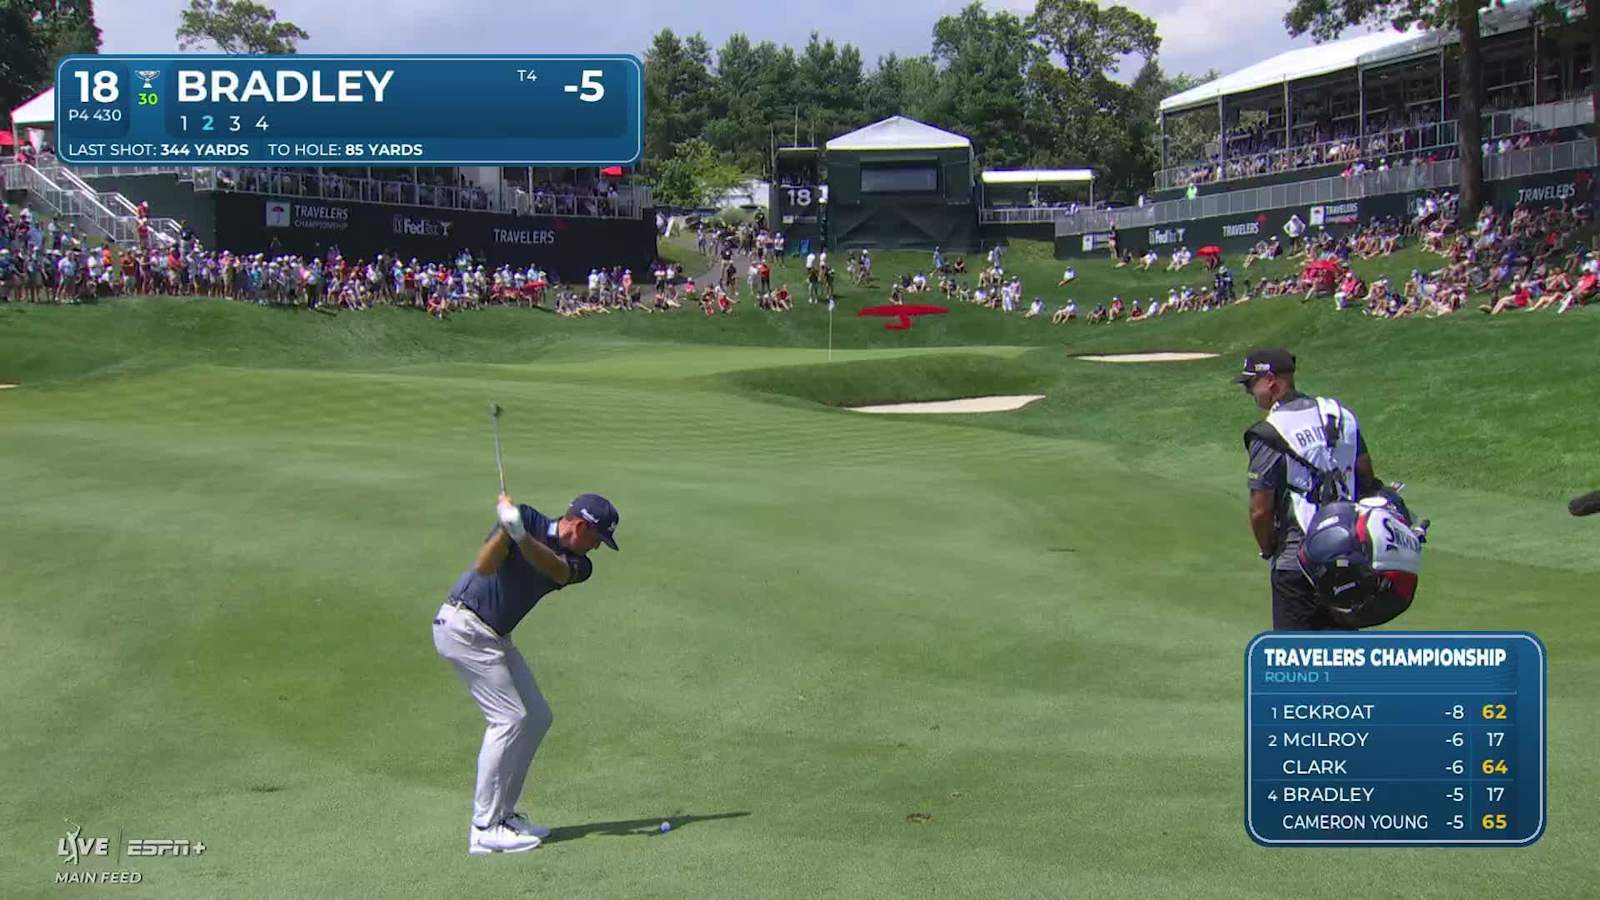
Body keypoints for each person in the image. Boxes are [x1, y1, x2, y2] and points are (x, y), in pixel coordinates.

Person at [432, 491, 621, 855]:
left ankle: (504, 815)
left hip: (494, 636)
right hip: (463, 627)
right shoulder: (527, 519)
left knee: (536, 717)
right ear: (580, 526)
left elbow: (555, 568)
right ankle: (484, 827)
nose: (596, 548)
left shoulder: (578, 564)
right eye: (597, 539)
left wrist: (520, 537)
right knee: (509, 718)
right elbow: (485, 567)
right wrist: (505, 532)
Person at [1237, 348, 1380, 630]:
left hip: (1297, 563)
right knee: (1344, 658)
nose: (1250, 393)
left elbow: (1260, 510)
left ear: (1271, 381)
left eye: (1251, 384)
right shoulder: (1340, 415)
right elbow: (1366, 477)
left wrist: (1268, 548)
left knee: (1297, 662)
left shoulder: (1270, 432)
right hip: (1349, 554)